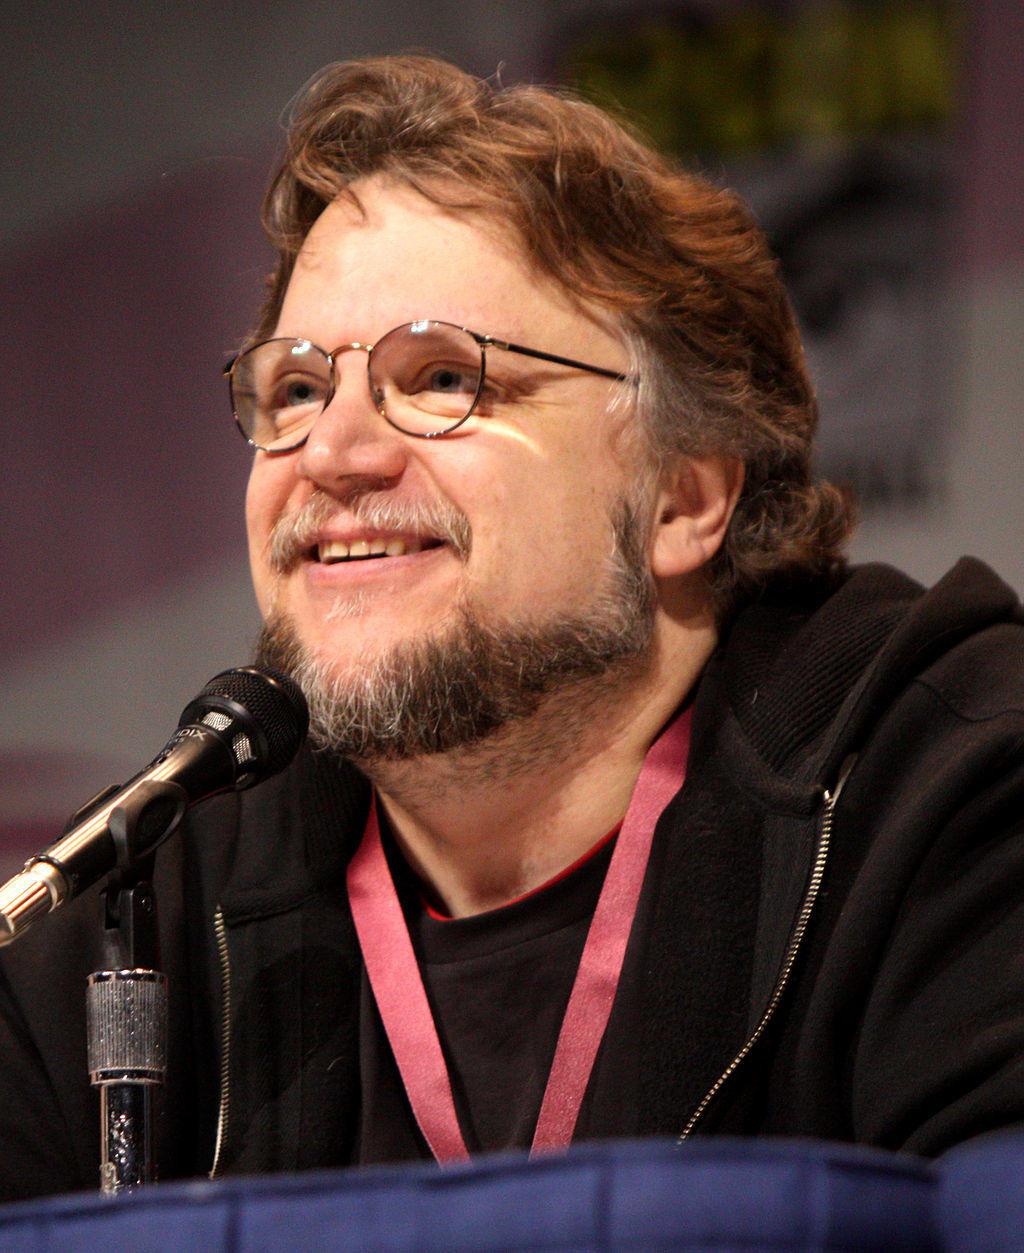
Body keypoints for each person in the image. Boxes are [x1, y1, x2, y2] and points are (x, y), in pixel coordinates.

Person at [1, 53, 1023, 1201]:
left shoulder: (955, 797)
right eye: (293, 390)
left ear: (683, 497)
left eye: (441, 377)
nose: (331, 456)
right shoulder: (129, 905)